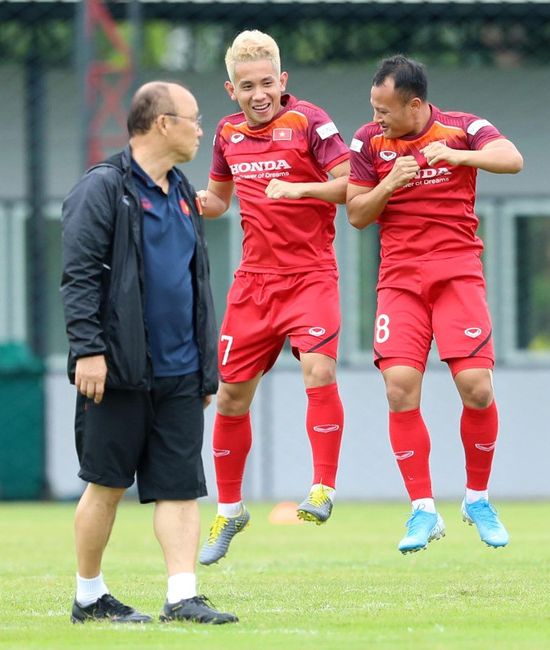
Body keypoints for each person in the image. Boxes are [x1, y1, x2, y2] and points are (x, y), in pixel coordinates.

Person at [60, 81, 237, 624]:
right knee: (107, 484)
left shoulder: (182, 191)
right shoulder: (102, 188)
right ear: (163, 122)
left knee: (180, 487)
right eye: (194, 117)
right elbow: (79, 277)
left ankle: (182, 596)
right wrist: (89, 351)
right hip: (118, 371)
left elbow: (194, 281)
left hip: (181, 372)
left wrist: (206, 370)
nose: (201, 128)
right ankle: (89, 595)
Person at [346, 55, 524, 554]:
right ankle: (422, 509)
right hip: (399, 280)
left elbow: (512, 158)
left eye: (385, 109)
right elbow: (357, 214)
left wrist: (461, 157)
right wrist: (389, 183)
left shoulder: (463, 127)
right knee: (399, 387)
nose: (376, 117)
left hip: (457, 274)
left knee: (476, 387)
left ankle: (477, 499)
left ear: (416, 104)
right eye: (373, 107)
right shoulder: (368, 141)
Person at [195, 30, 352, 566]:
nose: (258, 93)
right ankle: (230, 509)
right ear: (230, 89)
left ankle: (323, 489)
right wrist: (186, 199)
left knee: (319, 372)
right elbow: (218, 200)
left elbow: (351, 184)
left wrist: (300, 189)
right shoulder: (225, 133)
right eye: (246, 86)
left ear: (283, 82)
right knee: (230, 398)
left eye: (267, 83)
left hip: (310, 276)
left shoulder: (310, 121)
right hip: (254, 283)